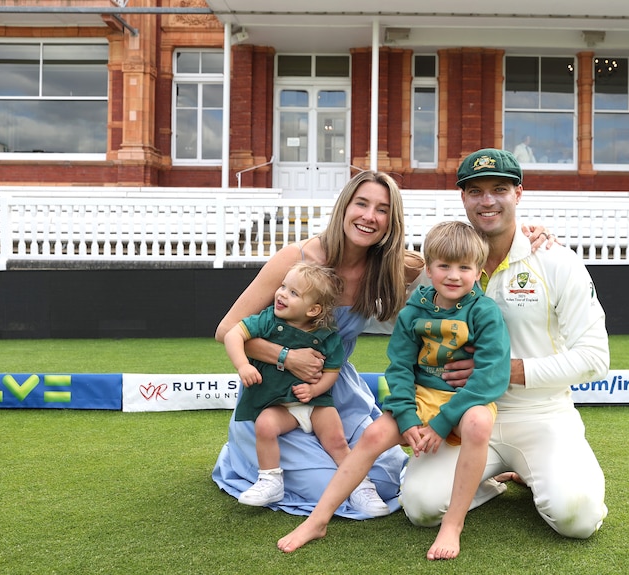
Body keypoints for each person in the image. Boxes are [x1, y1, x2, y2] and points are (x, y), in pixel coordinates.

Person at [399, 148, 611, 540]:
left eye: (499, 189)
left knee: (577, 519)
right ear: (463, 198)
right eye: (475, 191)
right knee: (421, 508)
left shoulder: (555, 260)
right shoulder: (444, 265)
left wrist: (502, 371)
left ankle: (537, 475)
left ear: (519, 194)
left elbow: (595, 358)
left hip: (540, 413)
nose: (488, 200)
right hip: (460, 413)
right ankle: (491, 482)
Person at [277, 219, 511, 560]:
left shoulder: (485, 313)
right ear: (429, 269)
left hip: (464, 402)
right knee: (373, 436)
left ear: (478, 273)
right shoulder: (413, 311)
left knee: (478, 423)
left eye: (464, 267)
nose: (453, 275)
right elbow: (400, 367)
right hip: (420, 395)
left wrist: (442, 423)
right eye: (444, 265)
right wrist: (406, 417)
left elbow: (490, 378)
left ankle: (452, 525)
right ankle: (318, 519)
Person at [212, 170, 415, 518]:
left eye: (381, 210)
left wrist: (525, 238)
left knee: (383, 478)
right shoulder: (295, 259)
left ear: (390, 222)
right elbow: (226, 329)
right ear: (344, 206)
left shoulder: (387, 268)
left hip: (336, 393)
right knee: (328, 485)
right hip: (275, 395)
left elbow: (455, 263)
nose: (369, 216)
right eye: (361, 203)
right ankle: (244, 454)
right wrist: (288, 358)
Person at [223, 262, 388, 515]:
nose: (281, 294)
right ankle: (270, 479)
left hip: (316, 403)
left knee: (337, 442)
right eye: (283, 287)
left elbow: (332, 371)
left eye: (293, 293)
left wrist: (315, 391)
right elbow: (233, 334)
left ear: (313, 309)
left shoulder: (328, 335)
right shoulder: (267, 320)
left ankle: (360, 487)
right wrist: (243, 365)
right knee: (265, 425)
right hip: (280, 404)